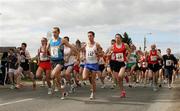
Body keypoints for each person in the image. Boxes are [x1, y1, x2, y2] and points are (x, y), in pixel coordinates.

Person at [47, 27, 77, 100]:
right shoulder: (50, 41)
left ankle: (65, 81)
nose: (54, 34)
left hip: (60, 61)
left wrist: (77, 54)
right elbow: (47, 49)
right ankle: (64, 92)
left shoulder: (62, 40)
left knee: (52, 74)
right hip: (53, 61)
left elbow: (71, 47)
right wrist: (49, 55)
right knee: (57, 79)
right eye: (53, 32)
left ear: (59, 32)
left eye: (55, 32)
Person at [108, 33, 131, 98]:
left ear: (121, 38)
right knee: (118, 80)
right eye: (116, 37)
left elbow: (130, 51)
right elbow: (109, 54)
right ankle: (122, 92)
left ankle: (124, 75)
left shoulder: (125, 45)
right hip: (115, 63)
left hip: (122, 63)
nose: (117, 39)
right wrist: (109, 55)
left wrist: (127, 57)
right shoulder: (112, 46)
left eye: (118, 37)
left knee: (120, 76)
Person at [82, 31, 103, 99]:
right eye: (88, 36)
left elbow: (102, 54)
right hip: (87, 63)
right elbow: (83, 51)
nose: (89, 37)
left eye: (90, 36)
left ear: (93, 36)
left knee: (93, 80)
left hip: (94, 64)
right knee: (84, 77)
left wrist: (97, 53)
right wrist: (83, 56)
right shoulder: (86, 44)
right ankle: (90, 75)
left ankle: (92, 93)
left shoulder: (97, 44)